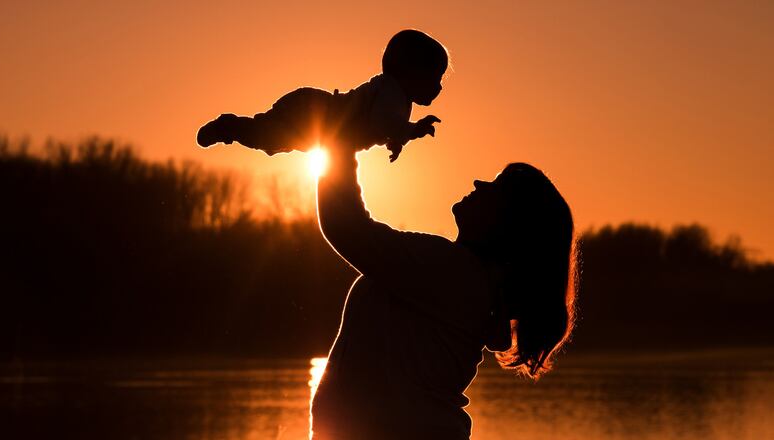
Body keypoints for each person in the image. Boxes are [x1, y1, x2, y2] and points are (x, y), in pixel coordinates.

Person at [311, 141, 578, 439]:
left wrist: (343, 140)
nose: (479, 183)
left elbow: (347, 227)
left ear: (509, 226)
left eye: (497, 187)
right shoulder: (469, 284)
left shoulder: (455, 273)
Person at [196, 29, 447, 162]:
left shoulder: (397, 98)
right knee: (268, 136)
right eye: (435, 78)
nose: (439, 87)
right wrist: (412, 131)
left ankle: (231, 128)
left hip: (319, 119)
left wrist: (397, 141)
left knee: (272, 140)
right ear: (410, 71)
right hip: (313, 112)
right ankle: (228, 126)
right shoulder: (391, 90)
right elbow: (383, 122)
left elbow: (384, 126)